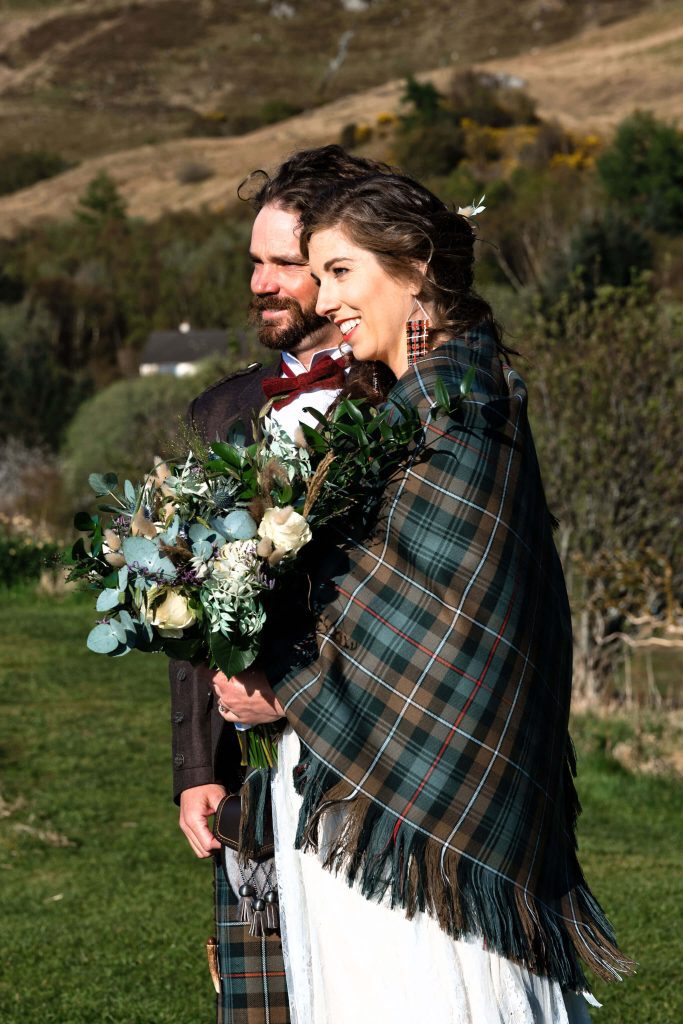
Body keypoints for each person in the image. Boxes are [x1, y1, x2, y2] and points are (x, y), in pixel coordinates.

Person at [212, 173, 633, 1022]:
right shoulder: (409, 404)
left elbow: (438, 623)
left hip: (419, 805)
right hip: (363, 785)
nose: (324, 298)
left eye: (340, 272)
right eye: (317, 276)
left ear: (413, 266)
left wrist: (282, 682)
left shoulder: (456, 406)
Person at [169, 145, 391, 1024]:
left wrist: (293, 694)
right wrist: (198, 768)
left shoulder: (402, 407)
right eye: (253, 262)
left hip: (377, 773)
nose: (261, 283)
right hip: (256, 789)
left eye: (285, 264)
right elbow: (191, 603)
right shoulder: (224, 413)